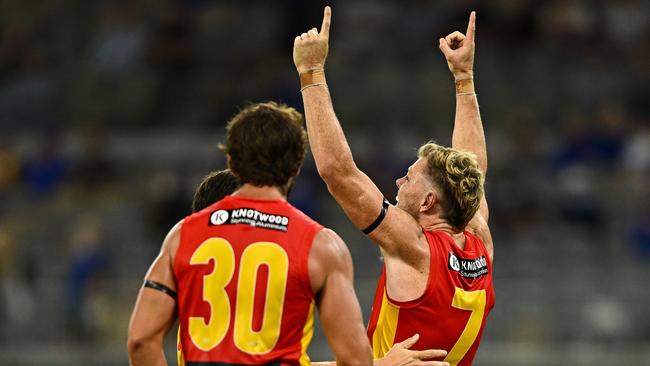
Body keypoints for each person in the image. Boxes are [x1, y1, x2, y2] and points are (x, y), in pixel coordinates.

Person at [293, 7, 494, 366]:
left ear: (429, 201)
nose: (399, 182)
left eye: (410, 177)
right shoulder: (480, 241)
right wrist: (464, 78)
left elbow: (338, 173)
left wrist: (311, 73)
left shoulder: (413, 246)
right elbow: (473, 166)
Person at [127, 102, 374, 366]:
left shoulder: (183, 235)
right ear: (296, 168)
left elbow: (141, 340)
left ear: (231, 161)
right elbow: (355, 359)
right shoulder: (322, 246)